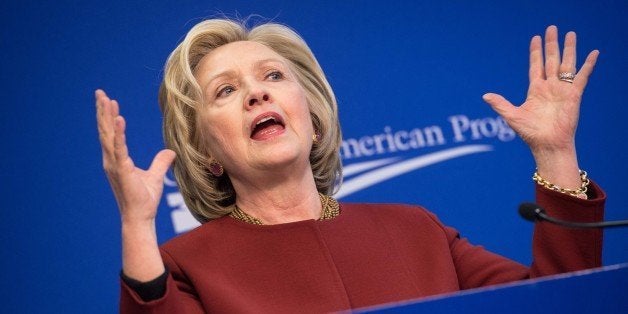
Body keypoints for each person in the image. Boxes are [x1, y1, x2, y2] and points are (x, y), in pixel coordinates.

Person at [96, 18, 605, 313]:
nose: (256, 92)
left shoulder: (415, 230)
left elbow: (562, 303)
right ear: (206, 153)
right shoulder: (188, 266)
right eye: (226, 91)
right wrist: (136, 227)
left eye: (271, 74)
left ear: (313, 121)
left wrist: (555, 152)